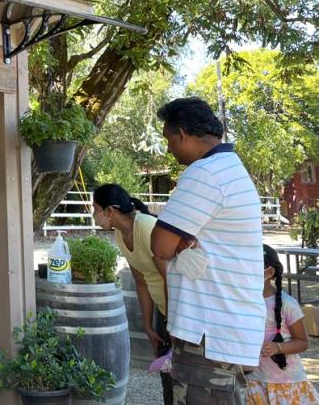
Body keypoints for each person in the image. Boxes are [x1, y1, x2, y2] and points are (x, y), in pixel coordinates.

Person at [150, 97, 265, 404]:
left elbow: (160, 245)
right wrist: (181, 239)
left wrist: (178, 241)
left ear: (182, 134)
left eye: (169, 140)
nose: (170, 149)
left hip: (208, 333)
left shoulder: (206, 173)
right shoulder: (229, 168)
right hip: (225, 328)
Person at [93, 183, 171, 404]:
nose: (94, 215)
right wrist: (147, 325)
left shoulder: (146, 227)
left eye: (96, 208)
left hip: (180, 314)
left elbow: (170, 278)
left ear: (110, 211)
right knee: (168, 380)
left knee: (182, 381)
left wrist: (173, 323)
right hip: (166, 313)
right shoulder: (120, 235)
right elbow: (141, 281)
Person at [247, 245, 319, 404]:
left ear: (269, 272)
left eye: (251, 267)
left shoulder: (287, 304)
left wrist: (277, 347)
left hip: (286, 384)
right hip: (254, 382)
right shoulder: (243, 301)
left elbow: (302, 342)